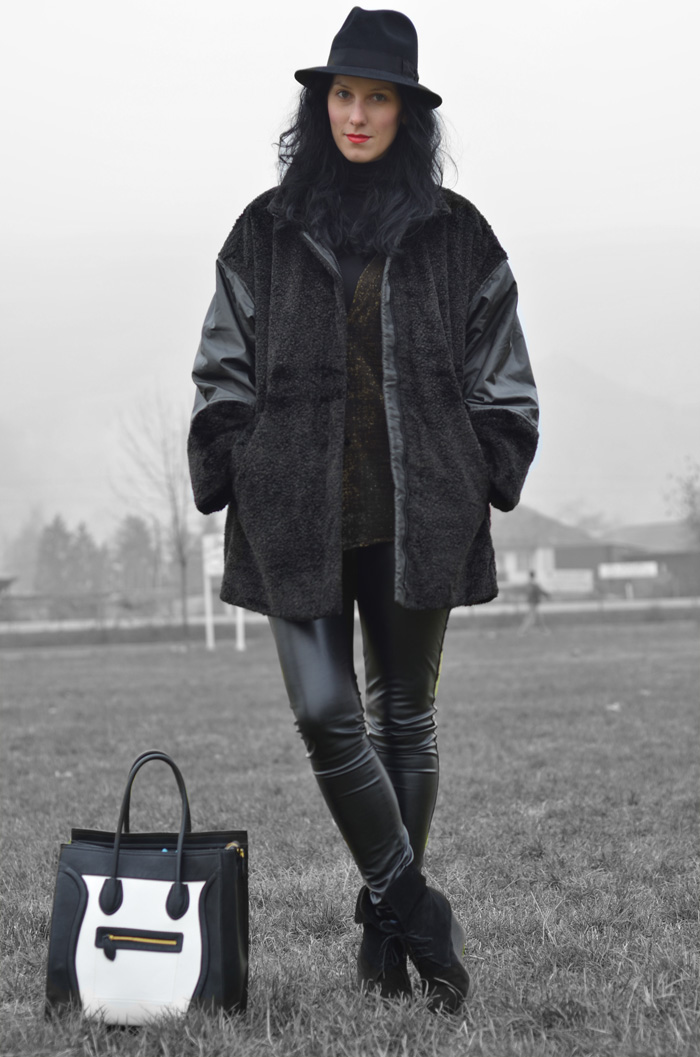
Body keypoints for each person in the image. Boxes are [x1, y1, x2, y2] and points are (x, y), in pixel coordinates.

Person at [187, 7, 539, 1012]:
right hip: (291, 508)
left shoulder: (457, 232)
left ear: (404, 113)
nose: (355, 113)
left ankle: (386, 946)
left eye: (375, 98)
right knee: (322, 711)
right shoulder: (264, 227)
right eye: (342, 94)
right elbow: (220, 365)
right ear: (320, 104)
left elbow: (503, 378)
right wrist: (234, 454)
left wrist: (485, 464)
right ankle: (418, 910)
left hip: (418, 507)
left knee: (405, 719)